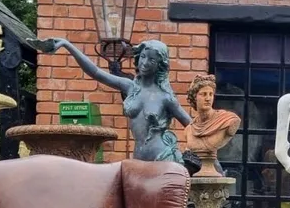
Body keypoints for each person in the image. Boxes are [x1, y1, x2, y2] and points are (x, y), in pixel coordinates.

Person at [41, 37, 190, 162]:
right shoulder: (130, 87)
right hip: (138, 157)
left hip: (162, 157)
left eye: (151, 60)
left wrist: (208, 157)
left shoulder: (165, 97)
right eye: (143, 57)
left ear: (159, 65)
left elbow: (192, 125)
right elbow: (95, 72)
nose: (144, 63)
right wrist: (67, 44)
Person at [183, 73, 240, 177]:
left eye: (210, 94)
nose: (208, 98)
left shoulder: (228, 120)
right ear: (194, 97)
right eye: (203, 94)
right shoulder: (189, 130)